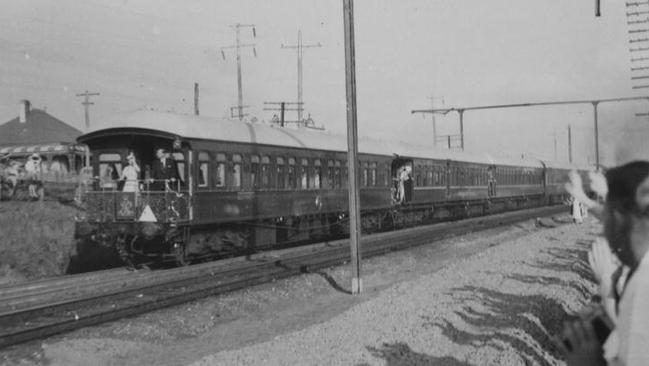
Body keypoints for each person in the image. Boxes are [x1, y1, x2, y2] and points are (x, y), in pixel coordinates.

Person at [560, 161, 649, 366]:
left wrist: (589, 362)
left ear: (618, 219)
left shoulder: (641, 286)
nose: (604, 229)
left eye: (606, 217)